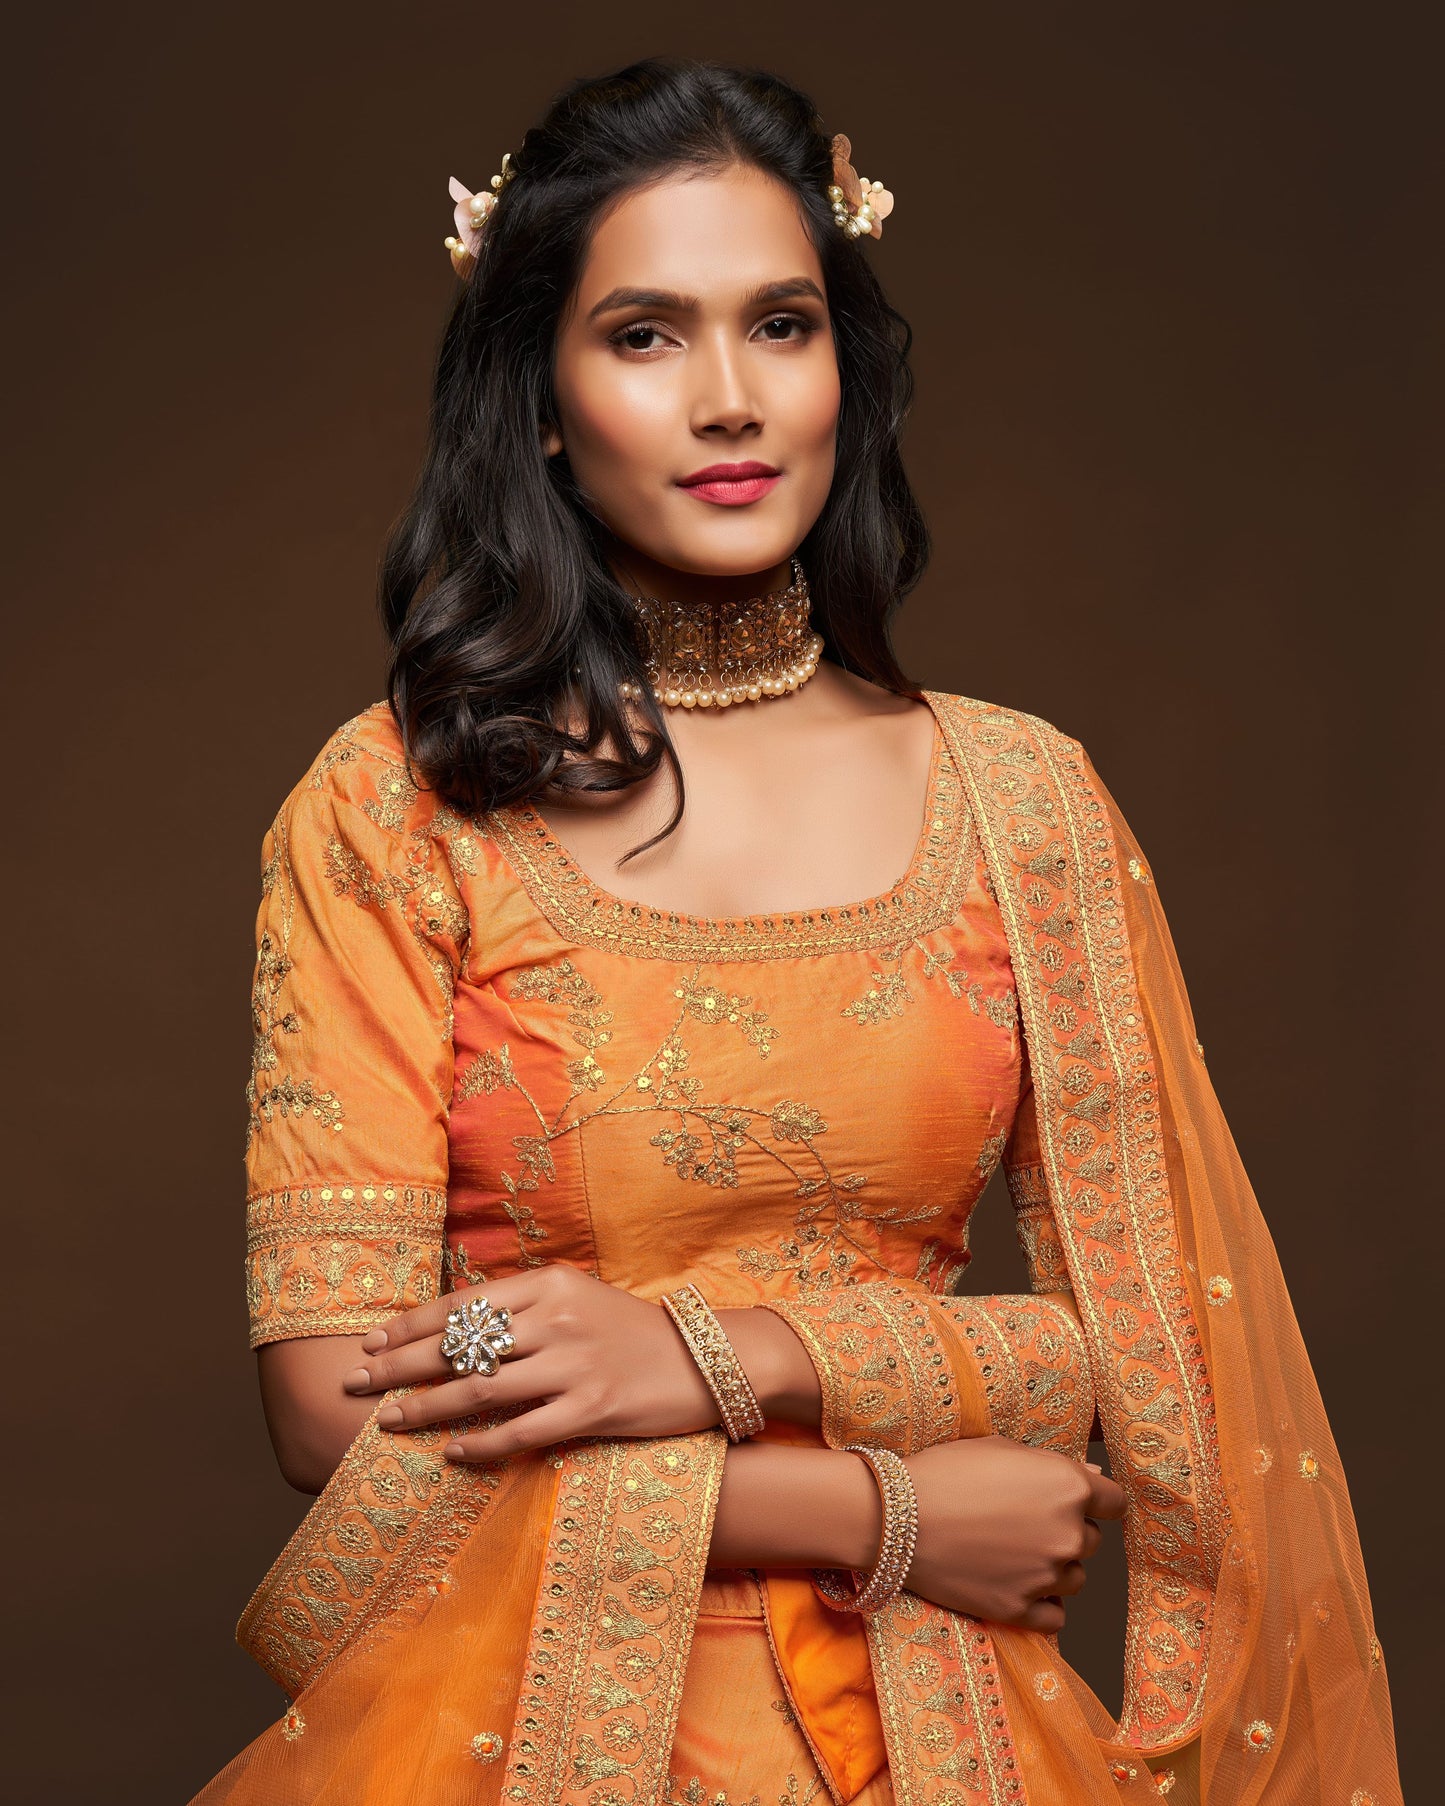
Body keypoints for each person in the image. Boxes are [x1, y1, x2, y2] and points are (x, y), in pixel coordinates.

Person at [192, 57, 1399, 1806]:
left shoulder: (1022, 798)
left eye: (780, 322)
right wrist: (881, 1508)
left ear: (847, 366)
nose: (731, 399)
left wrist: (712, 1350)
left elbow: (1163, 1371)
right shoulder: (394, 809)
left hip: (954, 1736)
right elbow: (334, 1404)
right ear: (537, 399)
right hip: (516, 1729)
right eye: (645, 335)